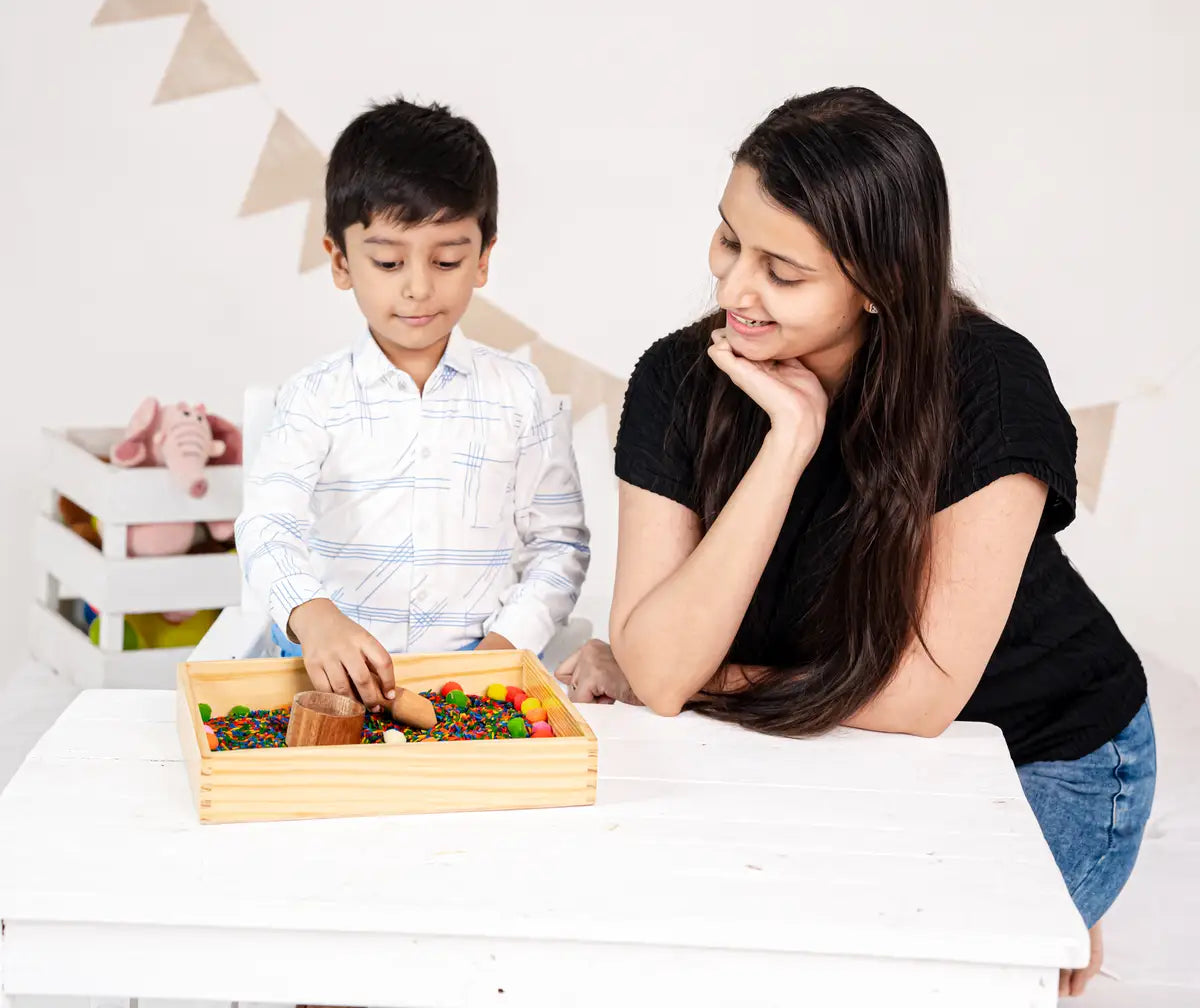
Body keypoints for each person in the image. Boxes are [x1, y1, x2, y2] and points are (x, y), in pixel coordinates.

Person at [556, 87, 1154, 998]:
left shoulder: (988, 387)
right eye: (729, 241)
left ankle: (1059, 885)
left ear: (881, 281)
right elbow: (663, 670)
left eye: (782, 272)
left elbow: (915, 701)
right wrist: (786, 447)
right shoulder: (680, 377)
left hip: (1040, 751)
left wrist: (682, 675)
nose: (732, 290)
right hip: (821, 736)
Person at [236, 96, 590, 712]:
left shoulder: (519, 395)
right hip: (327, 687)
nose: (419, 286)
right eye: (389, 261)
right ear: (341, 261)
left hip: (472, 687)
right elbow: (267, 524)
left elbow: (558, 546)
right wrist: (312, 615)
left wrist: (505, 647)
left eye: (447, 259)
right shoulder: (314, 397)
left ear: (483, 259)